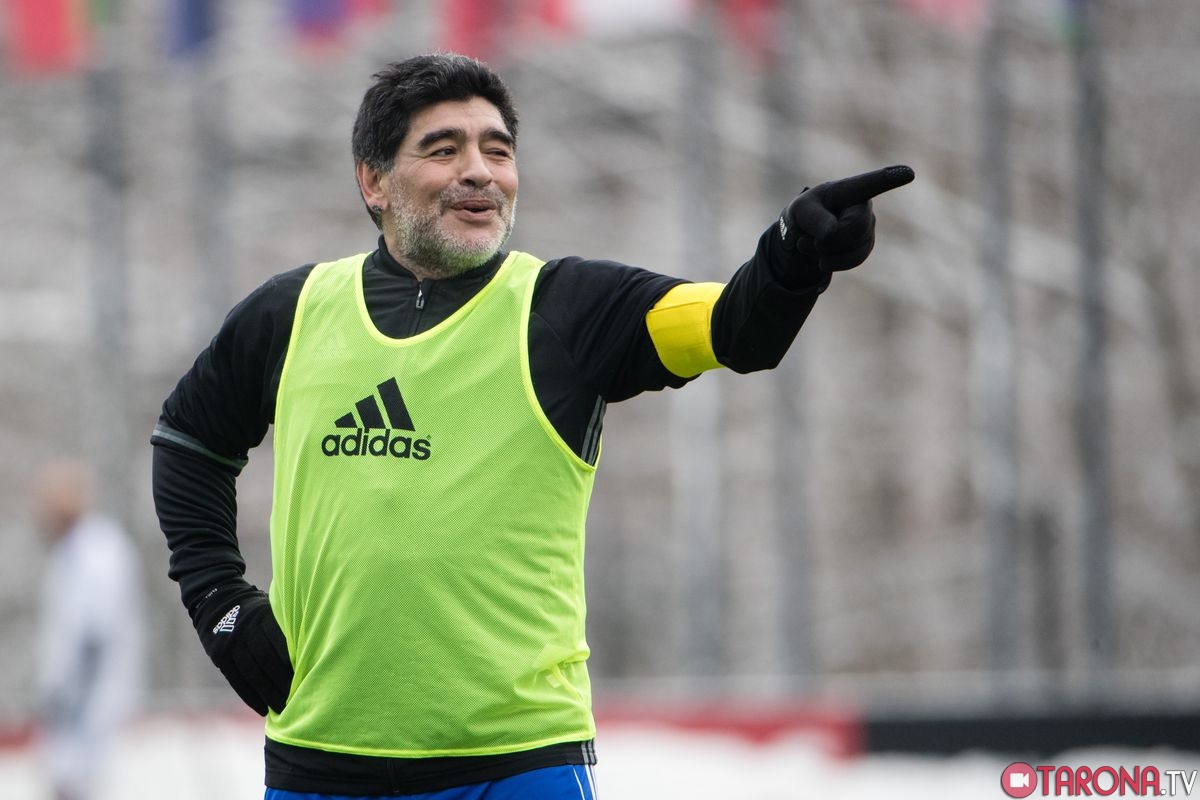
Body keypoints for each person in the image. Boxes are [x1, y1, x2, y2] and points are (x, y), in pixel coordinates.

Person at [150, 53, 913, 799]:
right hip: (316, 762)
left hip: (518, 766)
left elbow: (734, 327)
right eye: (443, 150)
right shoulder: (290, 311)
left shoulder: (567, 307)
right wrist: (219, 601)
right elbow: (188, 443)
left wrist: (792, 256)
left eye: (498, 150)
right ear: (373, 181)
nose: (479, 171)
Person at [33, 458, 144, 800]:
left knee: (80, 780)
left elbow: (93, 636)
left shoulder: (97, 551)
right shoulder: (71, 551)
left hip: (89, 700)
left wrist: (68, 696)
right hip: (76, 701)